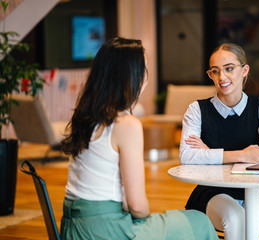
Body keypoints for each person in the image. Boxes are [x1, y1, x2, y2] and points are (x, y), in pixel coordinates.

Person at [60, 37, 218, 240]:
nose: (147, 75)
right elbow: (136, 205)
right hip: (104, 230)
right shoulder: (126, 124)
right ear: (131, 76)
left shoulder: (84, 116)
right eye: (144, 68)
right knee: (198, 221)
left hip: (72, 228)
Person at [179, 43, 259, 240]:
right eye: (215, 71)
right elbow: (187, 156)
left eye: (229, 69)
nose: (222, 77)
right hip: (211, 191)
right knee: (235, 218)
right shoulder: (197, 110)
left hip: (254, 189)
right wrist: (243, 155)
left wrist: (209, 153)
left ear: (244, 70)